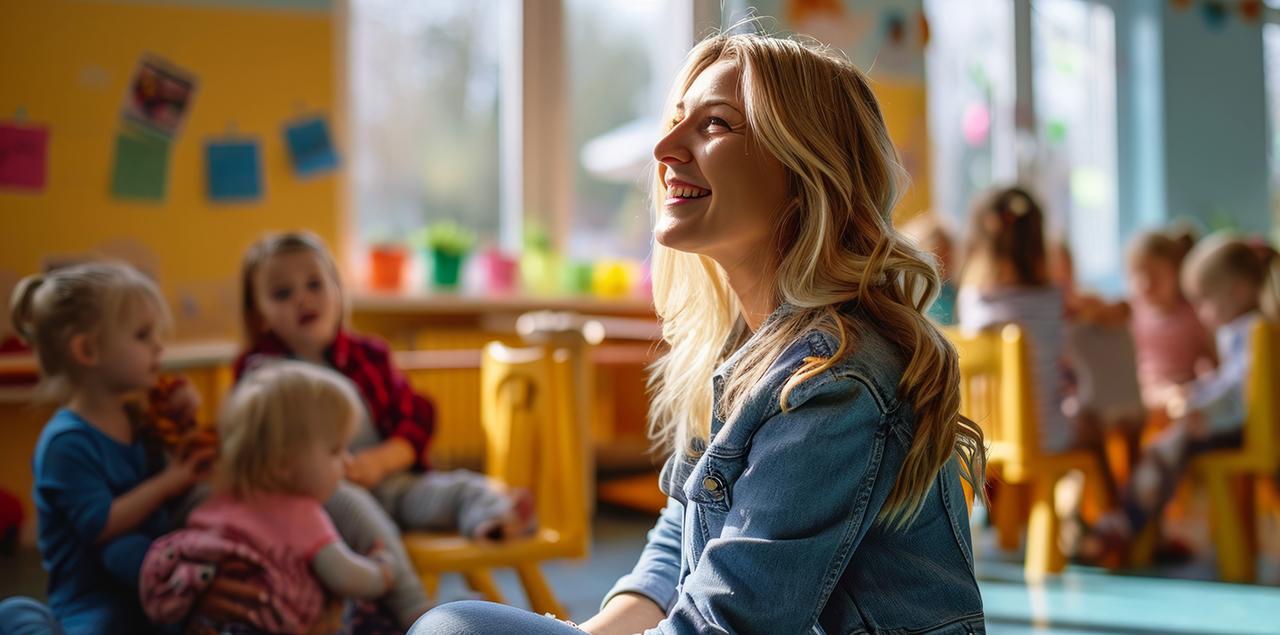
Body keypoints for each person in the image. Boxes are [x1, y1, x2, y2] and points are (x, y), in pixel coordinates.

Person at [411, 29, 986, 635]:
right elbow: (678, 538)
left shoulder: (835, 379)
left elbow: (727, 624)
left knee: (455, 627)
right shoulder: (746, 344)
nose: (663, 147)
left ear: (804, 167)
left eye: (713, 125)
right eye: (676, 119)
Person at [234, 231, 533, 628]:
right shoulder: (261, 375)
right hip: (328, 496)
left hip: (392, 479)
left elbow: (417, 417)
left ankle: (494, 517)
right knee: (365, 514)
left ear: (338, 291)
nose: (303, 299)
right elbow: (258, 455)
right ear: (260, 315)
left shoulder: (367, 356)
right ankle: (413, 606)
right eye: (282, 293)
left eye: (314, 284)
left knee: (457, 486)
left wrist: (384, 459)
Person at [1, 263, 259, 634]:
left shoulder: (139, 416)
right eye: (142, 335)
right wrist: (169, 481)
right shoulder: (66, 443)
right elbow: (100, 525)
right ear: (87, 350)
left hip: (154, 584)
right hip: (95, 599)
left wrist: (186, 419)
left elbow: (183, 484)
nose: (159, 345)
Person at [140, 361, 397, 633]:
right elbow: (346, 577)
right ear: (283, 463)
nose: (347, 461)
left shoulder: (215, 503)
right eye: (336, 451)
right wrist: (382, 570)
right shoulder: (302, 513)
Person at [1081, 234, 1279, 561]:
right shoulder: (1257, 329)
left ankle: (1125, 520)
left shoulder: (1251, 330)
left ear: (1239, 291)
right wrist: (1198, 395)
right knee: (1168, 441)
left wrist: (1197, 406)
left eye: (1205, 301)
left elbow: (1238, 390)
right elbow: (1231, 383)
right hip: (1247, 425)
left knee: (1167, 446)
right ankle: (1136, 524)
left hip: (1245, 429)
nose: (1200, 313)